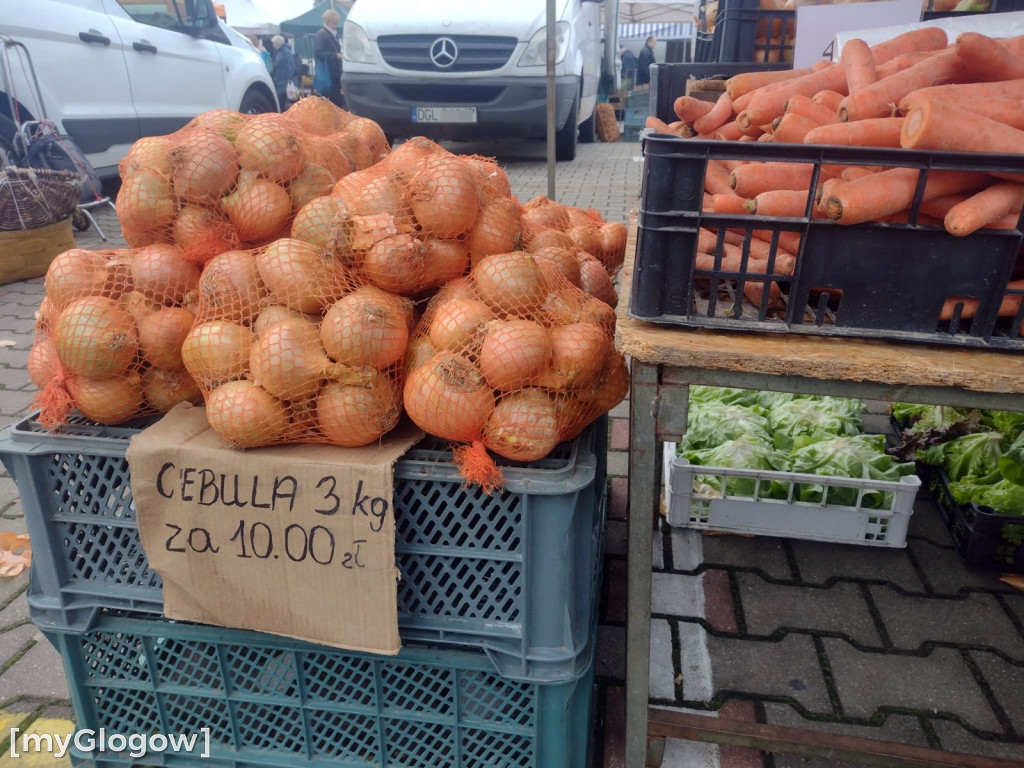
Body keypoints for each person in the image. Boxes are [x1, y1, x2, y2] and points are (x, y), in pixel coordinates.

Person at [313, 8, 345, 109]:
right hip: (329, 75)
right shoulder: (321, 35)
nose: (336, 26)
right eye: (334, 23)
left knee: (335, 102)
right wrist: (335, 55)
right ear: (327, 22)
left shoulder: (329, 34)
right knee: (333, 102)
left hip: (333, 75)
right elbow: (318, 53)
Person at [271, 34, 300, 109]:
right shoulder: (280, 51)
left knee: (289, 99)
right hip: (282, 80)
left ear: (279, 43)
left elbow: (290, 64)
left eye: (275, 43)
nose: (274, 46)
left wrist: (289, 77)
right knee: (287, 100)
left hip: (286, 80)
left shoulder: (285, 51)